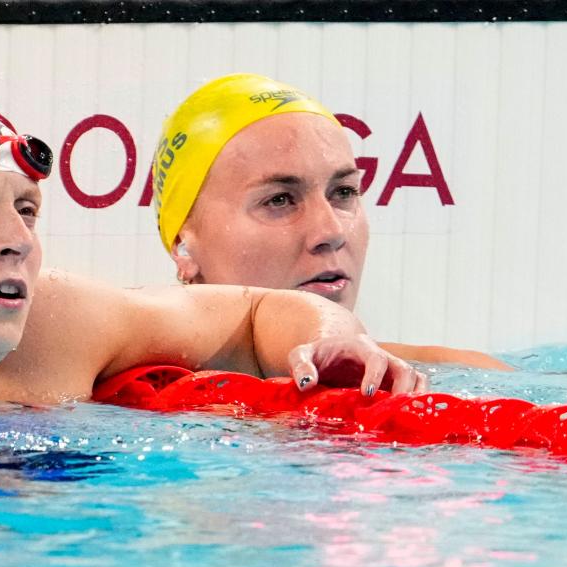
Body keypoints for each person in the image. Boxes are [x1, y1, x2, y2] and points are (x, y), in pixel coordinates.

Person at [0, 86, 426, 404]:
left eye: (27, 209)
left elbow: (255, 310)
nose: (18, 242)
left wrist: (337, 333)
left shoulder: (57, 327)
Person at [151, 73, 510, 370]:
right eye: (279, 200)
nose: (332, 232)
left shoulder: (468, 373)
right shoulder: (121, 395)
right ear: (184, 244)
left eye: (343, 192)